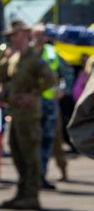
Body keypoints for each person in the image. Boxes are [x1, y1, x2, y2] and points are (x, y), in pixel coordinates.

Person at [0, 20, 57, 210]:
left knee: (30, 155)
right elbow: (2, 78)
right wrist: (6, 59)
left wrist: (33, 94)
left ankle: (32, 195)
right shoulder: (14, 57)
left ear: (24, 34)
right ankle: (22, 192)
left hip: (29, 114)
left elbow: (50, 78)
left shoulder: (33, 56)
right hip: (16, 113)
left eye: (15, 35)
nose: (12, 39)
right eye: (10, 36)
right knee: (17, 152)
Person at [36, 28, 68, 188]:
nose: (39, 38)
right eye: (36, 35)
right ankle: (33, 177)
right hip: (31, 105)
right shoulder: (25, 52)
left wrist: (63, 89)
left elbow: (65, 73)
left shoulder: (52, 52)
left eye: (42, 35)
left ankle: (42, 175)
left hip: (49, 105)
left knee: (50, 139)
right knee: (30, 142)